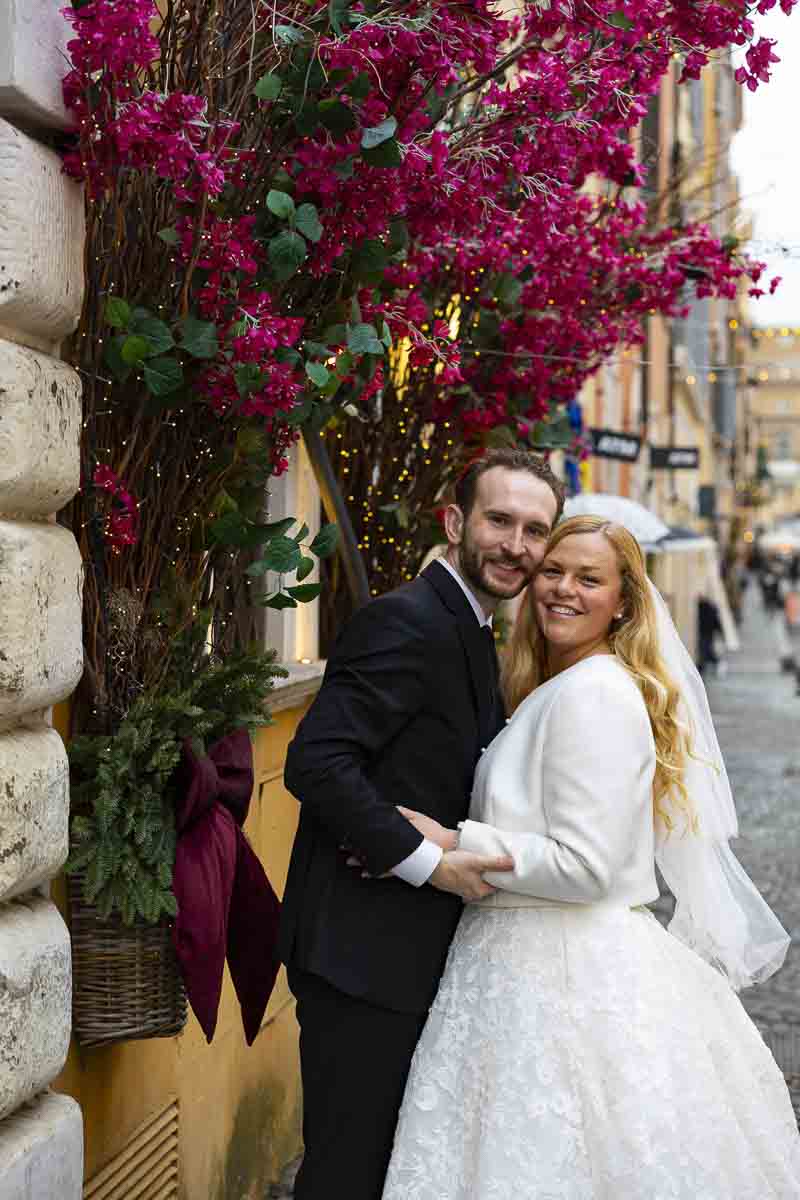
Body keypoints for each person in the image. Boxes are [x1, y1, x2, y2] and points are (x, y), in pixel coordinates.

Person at [383, 516, 798, 1200]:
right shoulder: (562, 687)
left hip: (559, 973)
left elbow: (589, 866)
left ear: (624, 602)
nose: (563, 590)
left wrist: (457, 843)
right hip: (524, 966)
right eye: (553, 572)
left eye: (588, 578)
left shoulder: (595, 697)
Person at [278, 448, 565, 1200]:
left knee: (377, 1165)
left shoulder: (470, 626)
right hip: (359, 950)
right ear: (454, 520)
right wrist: (424, 859)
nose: (516, 545)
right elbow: (317, 762)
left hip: (397, 951)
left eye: (536, 531)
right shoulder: (406, 620)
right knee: (347, 1169)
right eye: (499, 520)